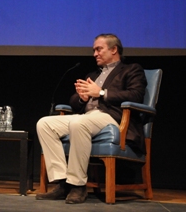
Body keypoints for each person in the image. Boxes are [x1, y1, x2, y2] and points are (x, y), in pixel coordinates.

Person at [36, 33, 147, 204]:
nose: (95, 54)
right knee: (44, 124)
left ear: (114, 49)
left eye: (99, 49)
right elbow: (74, 102)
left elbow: (136, 95)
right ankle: (62, 182)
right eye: (94, 50)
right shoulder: (94, 75)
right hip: (87, 117)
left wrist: (101, 93)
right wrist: (82, 97)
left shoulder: (131, 69)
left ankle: (78, 185)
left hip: (112, 118)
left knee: (79, 123)